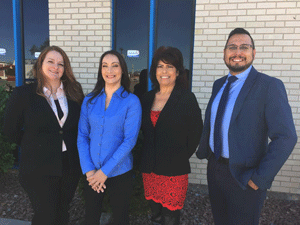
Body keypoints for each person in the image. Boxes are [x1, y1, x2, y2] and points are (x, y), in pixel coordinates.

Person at [196, 28, 298, 225]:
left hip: (245, 177)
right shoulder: (219, 85)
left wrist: (260, 178)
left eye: (244, 47)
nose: (237, 52)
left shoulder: (269, 86)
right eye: (232, 47)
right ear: (225, 53)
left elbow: (286, 137)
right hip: (216, 169)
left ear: (254, 52)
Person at [3, 46, 84, 225]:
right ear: (40, 64)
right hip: (37, 167)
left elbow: (79, 129)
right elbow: (9, 130)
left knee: (63, 212)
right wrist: (34, 146)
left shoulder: (74, 93)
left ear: (65, 68)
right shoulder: (23, 94)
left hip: (69, 166)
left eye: (60, 64)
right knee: (45, 216)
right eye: (51, 62)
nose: (56, 67)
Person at [77, 50, 142, 225]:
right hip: (91, 172)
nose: (110, 70)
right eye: (105, 66)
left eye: (115, 65)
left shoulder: (131, 101)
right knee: (90, 217)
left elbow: (129, 140)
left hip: (120, 173)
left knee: (120, 218)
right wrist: (89, 171)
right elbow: (82, 136)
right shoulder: (89, 100)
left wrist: (104, 172)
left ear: (122, 70)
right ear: (100, 70)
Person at [140, 46, 203, 225]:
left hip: (174, 170)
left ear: (177, 71)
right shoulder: (147, 98)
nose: (165, 71)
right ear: (155, 71)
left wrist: (181, 156)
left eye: (170, 67)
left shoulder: (186, 98)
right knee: (155, 214)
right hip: (150, 167)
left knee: (171, 217)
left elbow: (196, 131)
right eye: (160, 66)